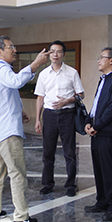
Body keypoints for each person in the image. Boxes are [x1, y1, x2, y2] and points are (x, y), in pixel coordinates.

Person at [0, 36, 48, 222]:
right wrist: (35, 64)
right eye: (10, 47)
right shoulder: (2, 69)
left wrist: (19, 110)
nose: (14, 50)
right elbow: (17, 81)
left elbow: (3, 96)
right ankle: (21, 217)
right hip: (7, 132)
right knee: (17, 173)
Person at [34, 40, 84, 197]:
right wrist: (37, 119)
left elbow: (81, 94)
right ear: (49, 54)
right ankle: (47, 184)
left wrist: (67, 100)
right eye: (52, 51)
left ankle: (71, 185)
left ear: (64, 54)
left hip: (67, 115)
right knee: (47, 152)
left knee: (69, 152)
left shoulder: (72, 72)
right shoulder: (43, 74)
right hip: (49, 115)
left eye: (59, 51)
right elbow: (40, 98)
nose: (55, 54)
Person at [83, 48, 112, 221]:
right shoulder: (103, 80)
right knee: (99, 169)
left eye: (101, 57)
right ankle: (102, 201)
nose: (98, 60)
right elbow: (96, 105)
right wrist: (88, 121)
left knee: (110, 170)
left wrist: (97, 125)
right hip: (98, 131)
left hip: (109, 132)